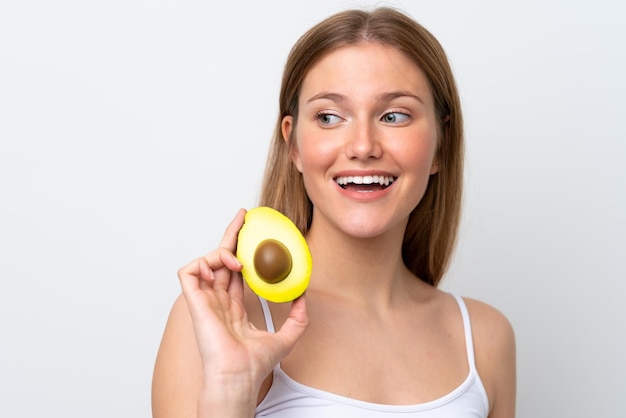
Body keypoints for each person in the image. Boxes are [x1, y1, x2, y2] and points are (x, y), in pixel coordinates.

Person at [152, 7, 516, 418]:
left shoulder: (485, 340)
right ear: (294, 146)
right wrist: (230, 388)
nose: (362, 145)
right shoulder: (219, 321)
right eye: (329, 117)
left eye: (394, 115)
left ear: (441, 144)